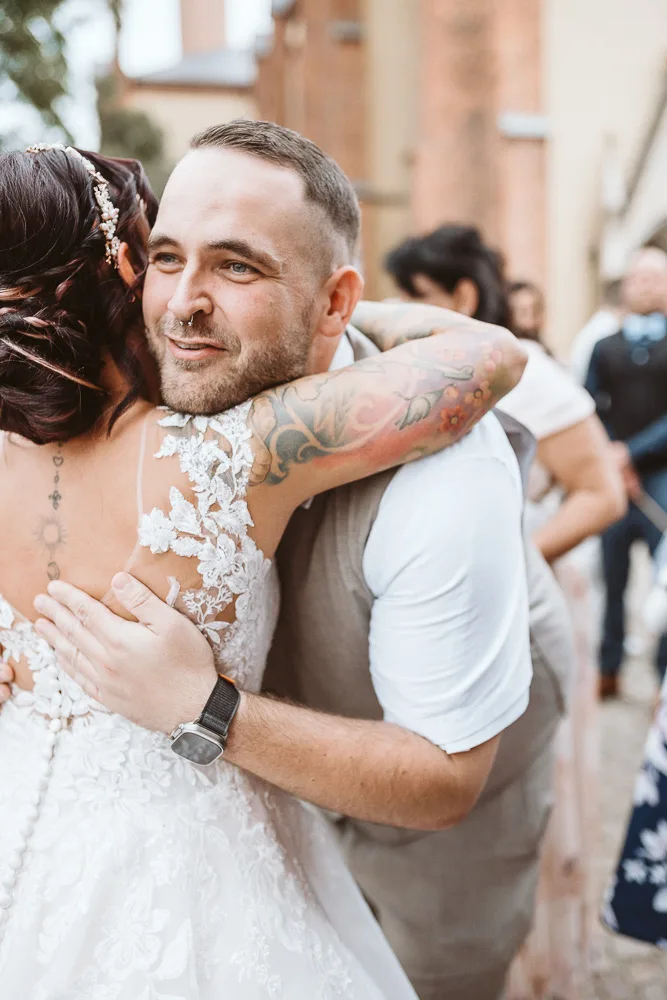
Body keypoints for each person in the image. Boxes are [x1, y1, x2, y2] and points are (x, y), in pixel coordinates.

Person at [0, 138, 527, 998]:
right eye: (166, 253)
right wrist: (359, 313)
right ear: (130, 262)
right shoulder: (231, 452)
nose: (182, 298)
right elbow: (486, 359)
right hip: (188, 862)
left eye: (234, 267)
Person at [387, 225, 625, 1000]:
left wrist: (513, 561)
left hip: (537, 599)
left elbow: (600, 493)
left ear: (456, 298)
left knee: (533, 786)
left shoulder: (534, 379)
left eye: (412, 299)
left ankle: (534, 967)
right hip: (473, 600)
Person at [585, 247, 667, 698]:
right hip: (613, 477)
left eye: (656, 278)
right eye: (640, 278)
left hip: (660, 477)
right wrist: (612, 455)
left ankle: (662, 677)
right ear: (627, 284)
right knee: (611, 578)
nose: (647, 285)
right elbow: (590, 406)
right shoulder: (605, 347)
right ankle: (608, 667)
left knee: (664, 578)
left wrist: (628, 455)